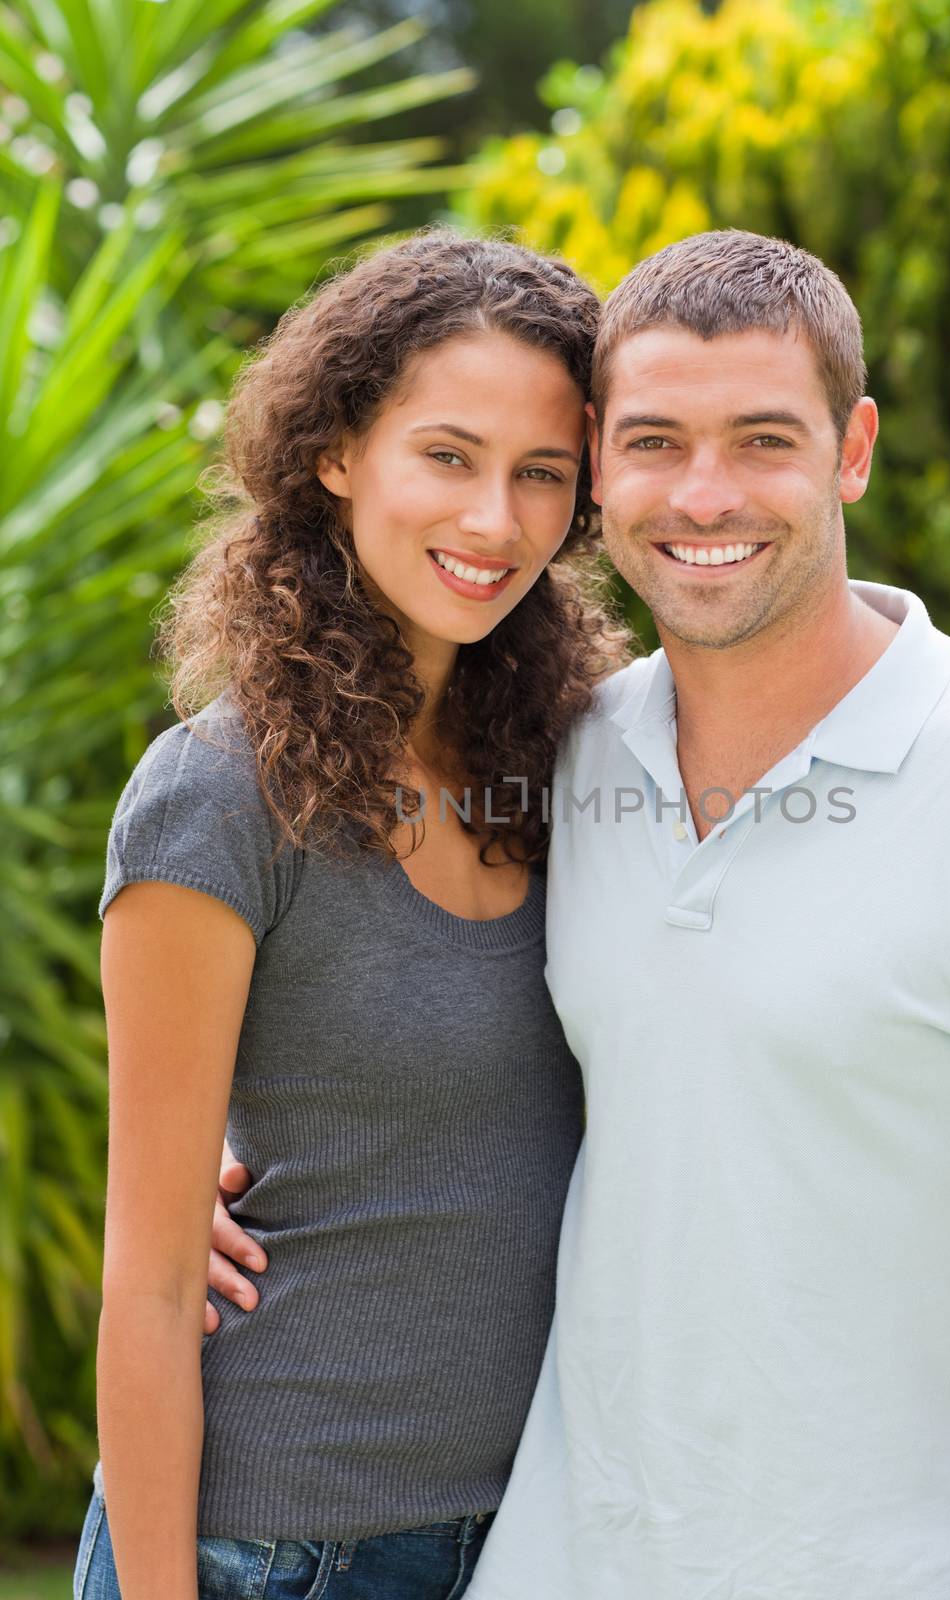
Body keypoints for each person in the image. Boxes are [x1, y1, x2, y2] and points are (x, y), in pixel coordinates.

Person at [213, 231, 950, 1600]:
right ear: (597, 464)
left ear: (851, 449)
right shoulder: (565, 757)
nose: (704, 494)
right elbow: (422, 999)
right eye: (652, 442)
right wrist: (222, 1154)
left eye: (762, 439)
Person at [72, 229, 630, 1600]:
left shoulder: (568, 768)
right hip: (272, 1548)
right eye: (447, 456)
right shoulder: (215, 795)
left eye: (542, 474)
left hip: (527, 1534)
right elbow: (146, 1291)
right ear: (335, 450)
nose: (495, 521)